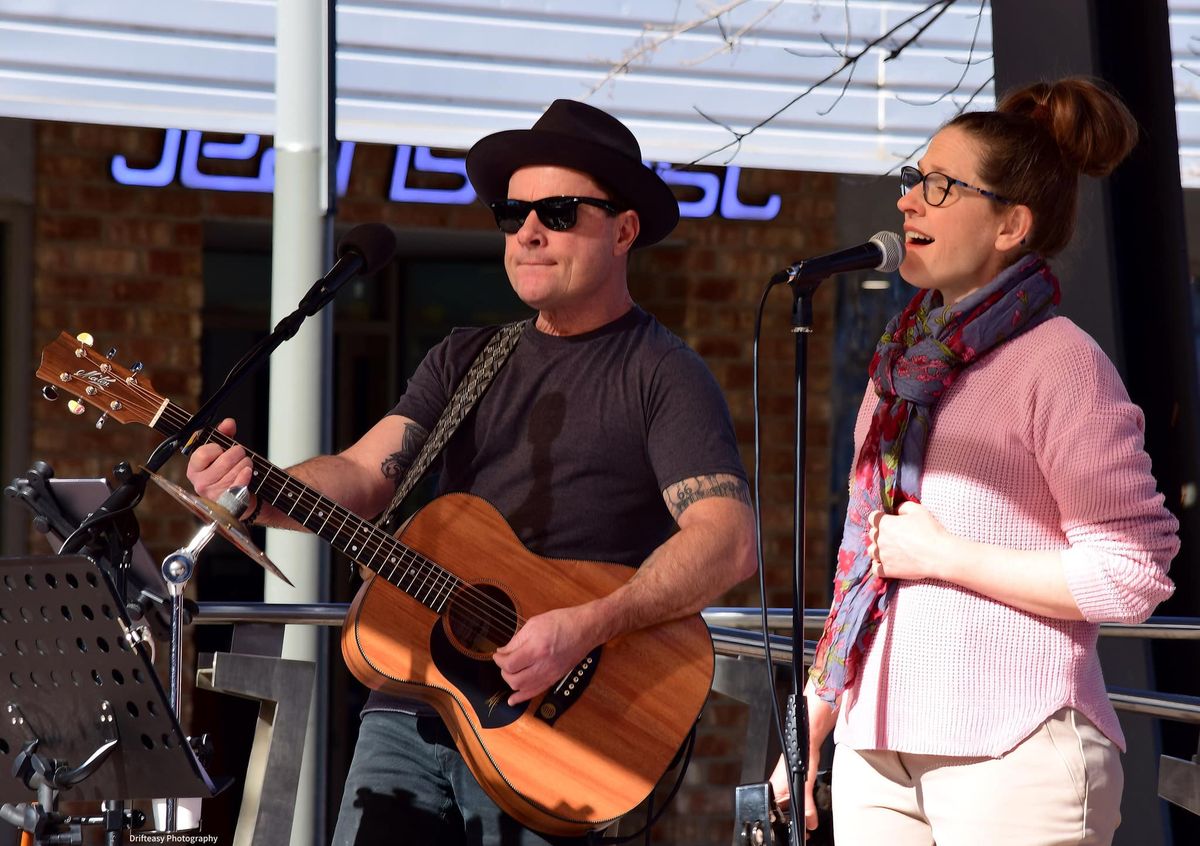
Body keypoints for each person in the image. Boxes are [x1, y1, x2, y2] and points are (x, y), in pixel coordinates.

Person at [186, 99, 757, 845]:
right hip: (410, 701)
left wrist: (583, 627)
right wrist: (254, 490)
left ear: (624, 228)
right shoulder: (465, 357)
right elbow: (364, 474)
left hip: (557, 729)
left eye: (556, 210)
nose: (527, 231)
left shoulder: (662, 374)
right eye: (511, 212)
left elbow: (728, 541)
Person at [771, 77, 1180, 845]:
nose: (908, 202)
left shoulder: (1059, 363)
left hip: (1013, 750)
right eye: (912, 181)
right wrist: (813, 723)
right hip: (875, 750)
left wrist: (947, 555)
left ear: (1010, 224)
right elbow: (866, 562)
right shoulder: (899, 367)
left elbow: (1134, 574)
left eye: (939, 186)